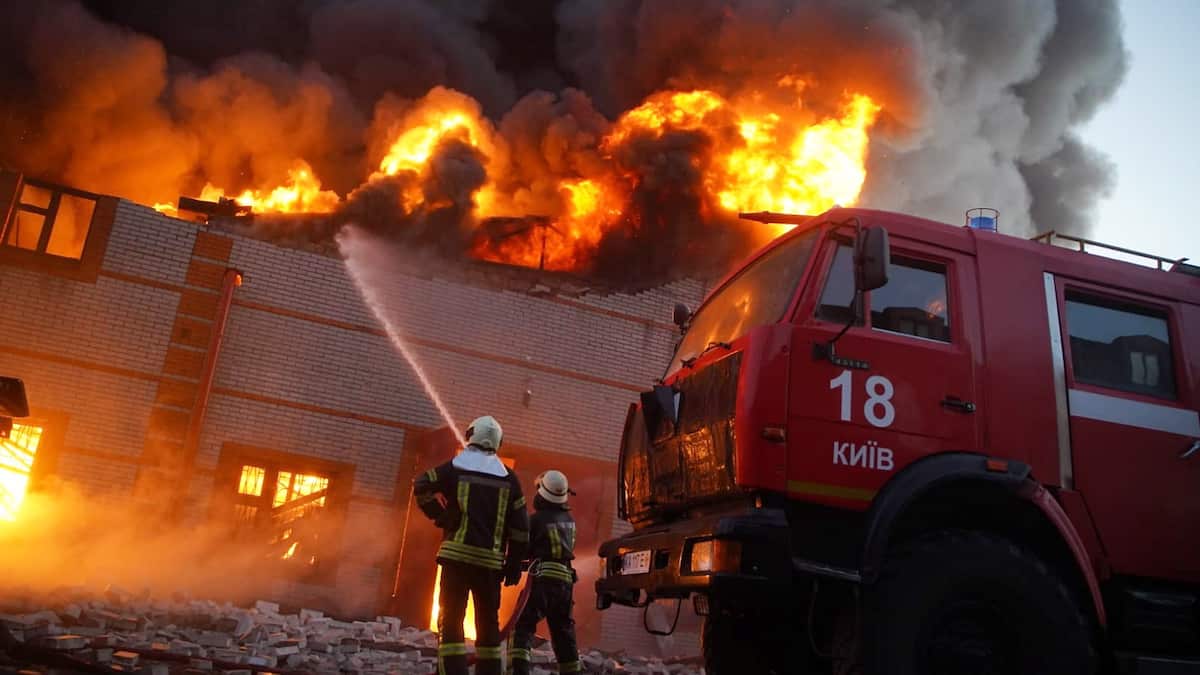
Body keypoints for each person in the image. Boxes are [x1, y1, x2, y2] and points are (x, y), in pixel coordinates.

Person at [413, 416, 529, 675]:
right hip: (489, 565)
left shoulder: (455, 468)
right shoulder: (509, 478)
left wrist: (440, 515)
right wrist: (514, 563)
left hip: (455, 559)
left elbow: (421, 485)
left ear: (471, 435)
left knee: (451, 620)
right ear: (498, 442)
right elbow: (521, 528)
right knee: (488, 623)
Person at [508, 470, 580, 674]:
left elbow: (526, 551)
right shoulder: (569, 520)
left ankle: (517, 671)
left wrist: (511, 563)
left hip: (542, 583)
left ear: (542, 493)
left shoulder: (536, 520)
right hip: (565, 586)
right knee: (563, 633)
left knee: (523, 626)